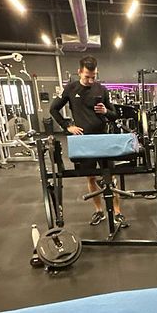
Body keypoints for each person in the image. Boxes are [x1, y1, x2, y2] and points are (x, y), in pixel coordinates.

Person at [50, 56, 128, 227]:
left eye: (94, 76)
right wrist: (67, 126)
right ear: (79, 72)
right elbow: (53, 109)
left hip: (103, 139)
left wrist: (106, 111)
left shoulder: (102, 89)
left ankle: (117, 213)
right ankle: (99, 211)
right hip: (84, 142)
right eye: (87, 76)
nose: (91, 80)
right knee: (91, 178)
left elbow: (115, 115)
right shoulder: (71, 88)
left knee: (111, 178)